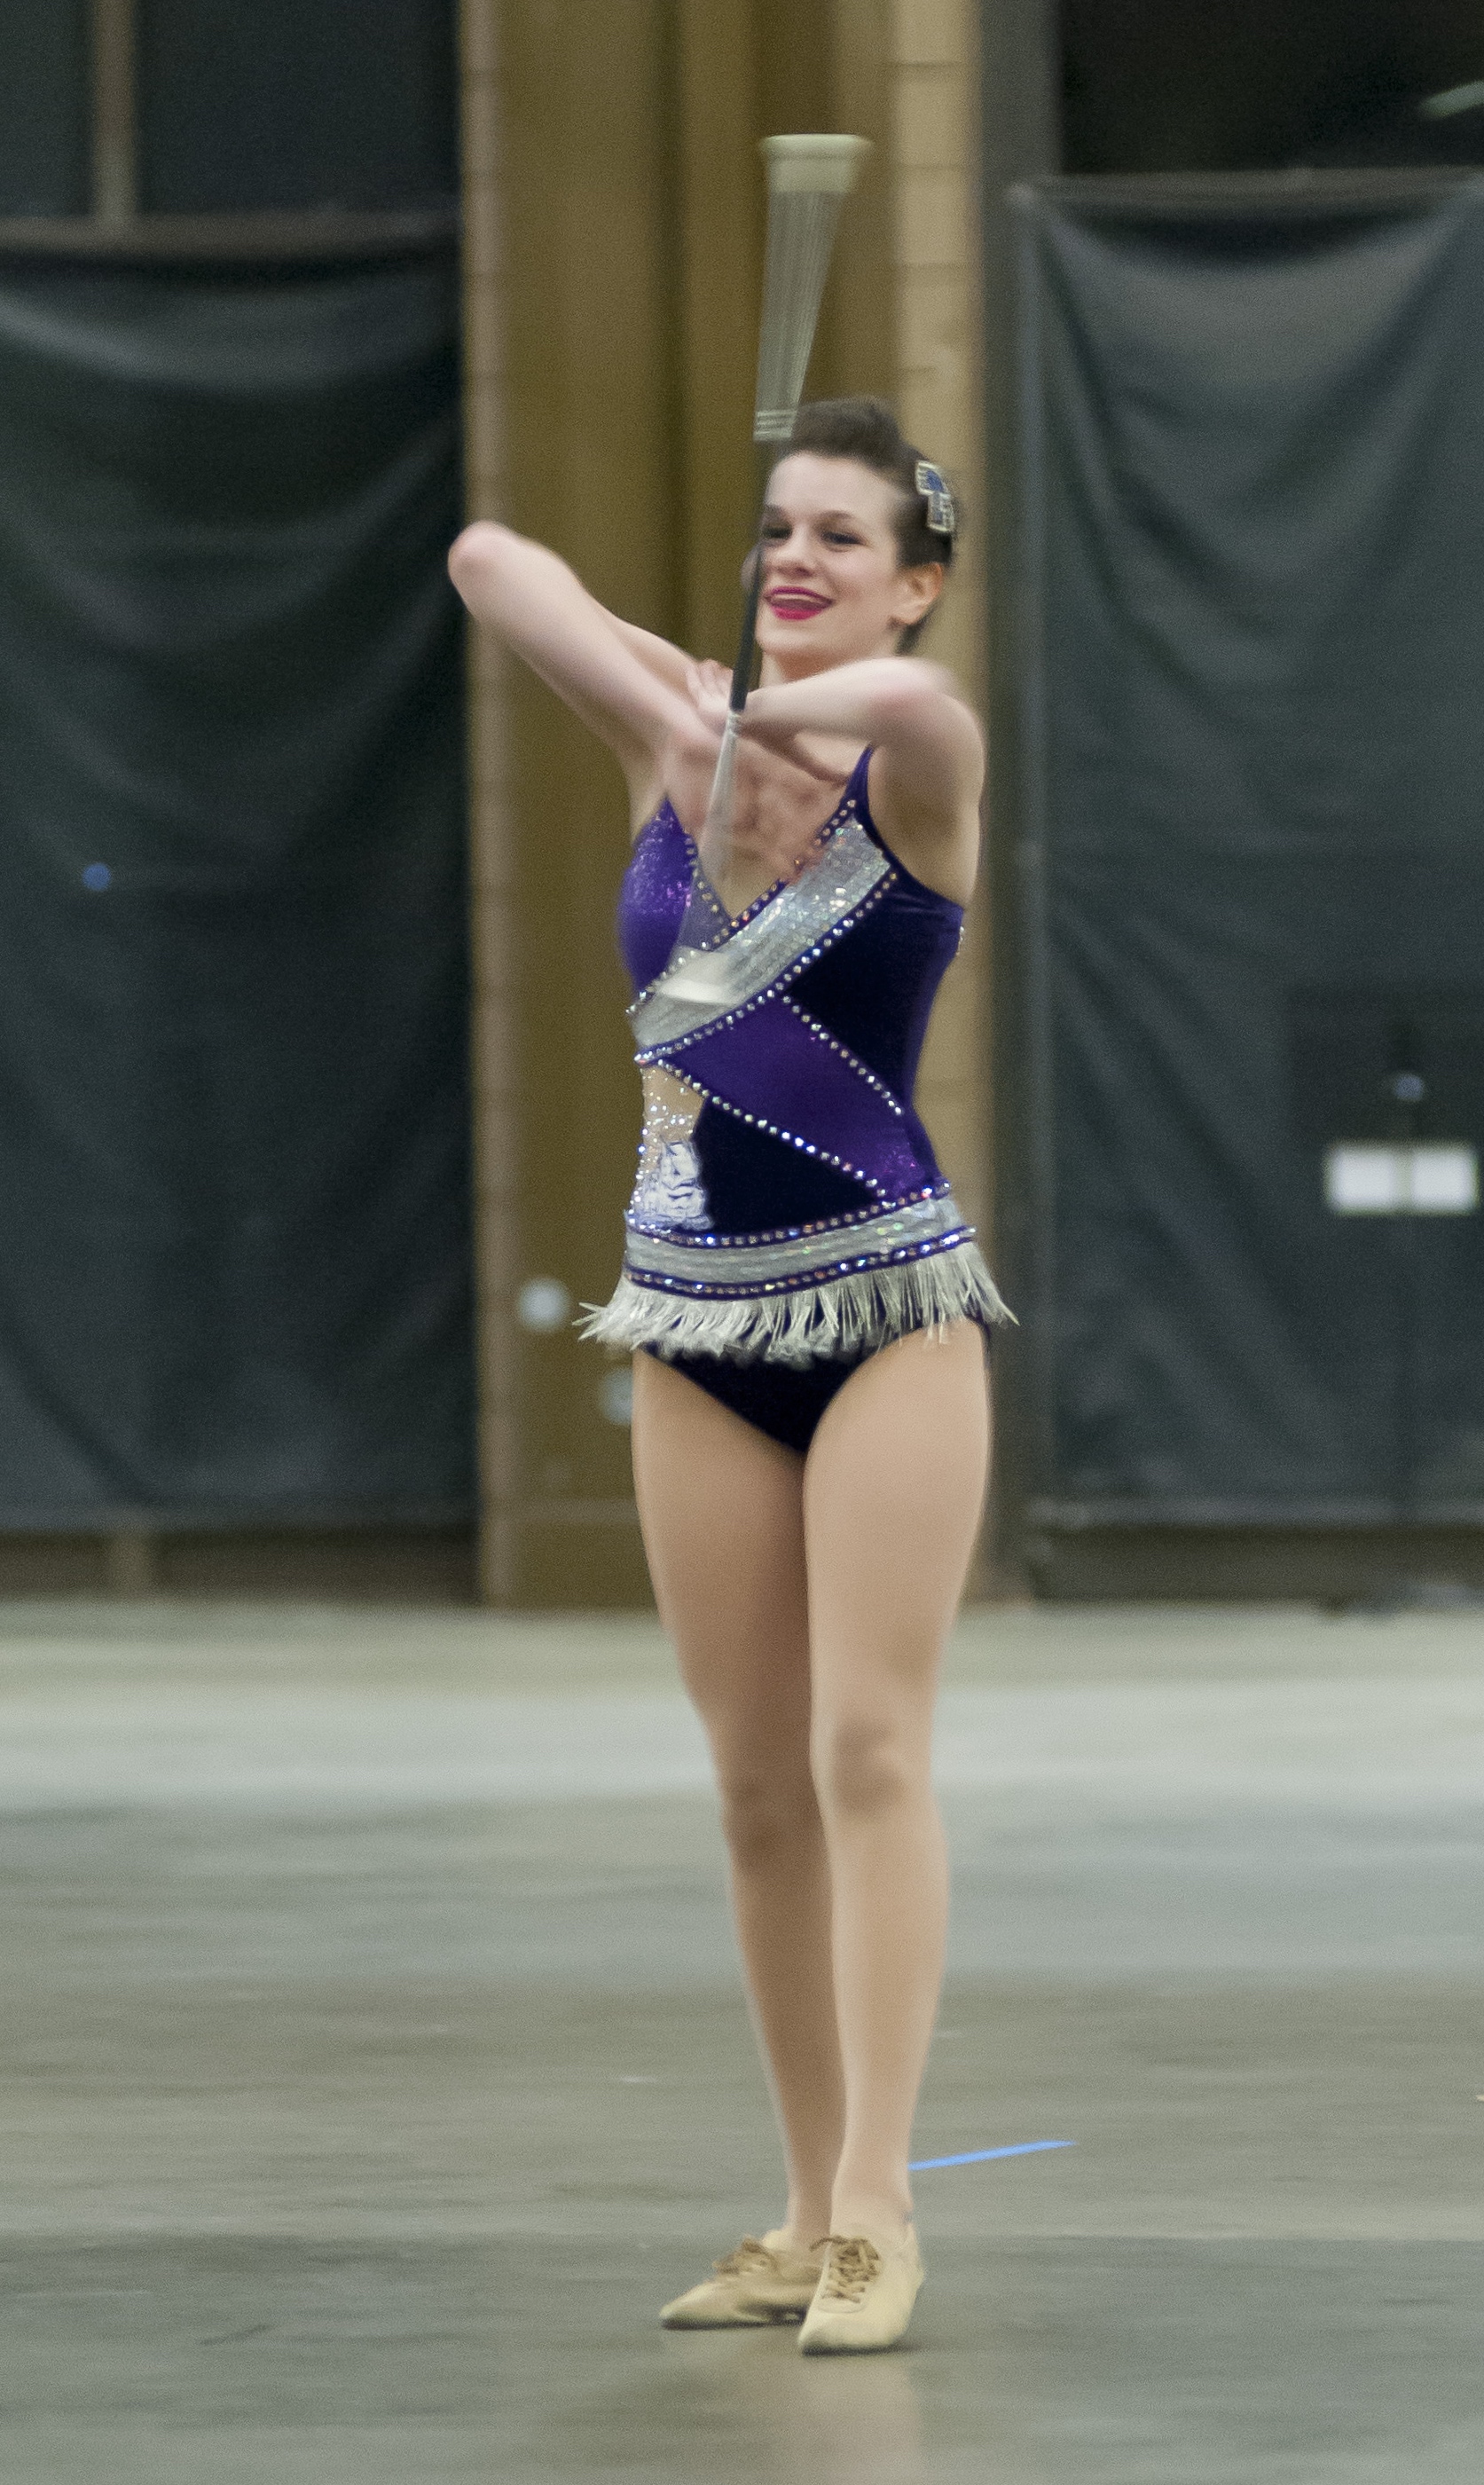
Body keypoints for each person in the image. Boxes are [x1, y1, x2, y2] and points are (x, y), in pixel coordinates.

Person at [448, 396, 1008, 2355]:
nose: (798, 557)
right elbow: (489, 565)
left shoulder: (915, 775)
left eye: (845, 538)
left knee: (867, 1754)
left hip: (885, 1325)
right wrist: (682, 712)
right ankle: (791, 2206)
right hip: (690, 1326)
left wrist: (778, 723)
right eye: (780, 526)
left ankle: (879, 2215)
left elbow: (925, 724)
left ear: (915, 583)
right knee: (756, 1787)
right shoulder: (673, 747)